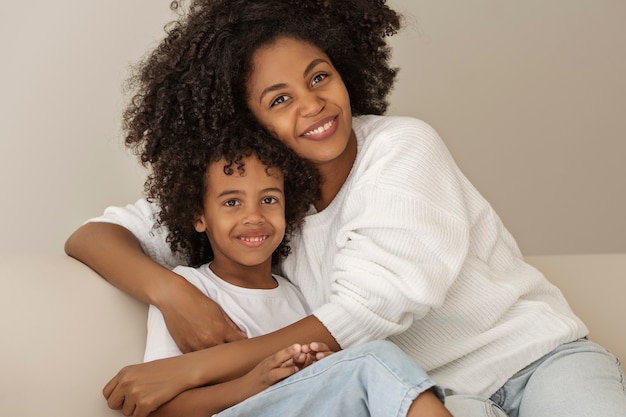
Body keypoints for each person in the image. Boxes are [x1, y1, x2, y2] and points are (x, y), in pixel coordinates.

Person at [65, 1, 626, 417]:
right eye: (279, 99)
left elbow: (367, 313)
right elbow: (97, 235)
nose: (312, 105)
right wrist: (174, 293)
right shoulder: (264, 199)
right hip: (437, 396)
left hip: (539, 363)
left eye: (319, 77)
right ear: (244, 121)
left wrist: (190, 368)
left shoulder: (402, 146)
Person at [130, 121, 449, 417]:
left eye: (269, 200)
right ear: (199, 216)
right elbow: (160, 405)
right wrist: (253, 383)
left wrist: (319, 368)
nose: (253, 216)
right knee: (377, 361)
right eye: (231, 202)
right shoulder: (188, 289)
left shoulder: (298, 295)